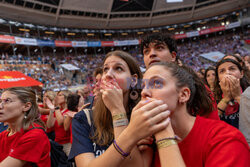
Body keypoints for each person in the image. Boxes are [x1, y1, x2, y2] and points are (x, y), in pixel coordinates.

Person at [69, 50, 168, 167]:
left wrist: (117, 110)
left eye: (118, 69)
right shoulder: (83, 118)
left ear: (133, 80)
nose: (108, 74)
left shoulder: (144, 117)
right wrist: (131, 138)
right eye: (105, 69)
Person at [139, 62, 249, 167]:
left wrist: (164, 136)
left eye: (156, 83)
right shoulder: (147, 143)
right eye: (143, 86)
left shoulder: (225, 139)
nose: (144, 92)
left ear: (183, 95)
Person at [141, 33, 219, 120]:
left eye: (159, 48)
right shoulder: (140, 91)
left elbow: (213, 126)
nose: (152, 54)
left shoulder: (198, 88)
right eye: (146, 51)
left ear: (173, 56)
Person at [0, 87, 51, 167]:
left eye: (7, 101)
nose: (0, 106)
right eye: (0, 101)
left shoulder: (35, 135)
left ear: (26, 106)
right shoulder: (3, 135)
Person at [214, 58, 250, 128]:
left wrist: (238, 96)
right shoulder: (212, 97)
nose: (227, 73)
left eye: (232, 69)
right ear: (218, 78)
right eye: (222, 71)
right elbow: (211, 122)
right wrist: (226, 99)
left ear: (241, 73)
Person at [46, 90, 72, 156]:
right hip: (58, 143)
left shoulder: (69, 110)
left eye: (60, 95)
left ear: (66, 98)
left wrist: (56, 106)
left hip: (68, 144)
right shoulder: (58, 110)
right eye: (57, 95)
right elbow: (49, 125)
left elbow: (60, 122)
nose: (57, 97)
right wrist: (51, 111)